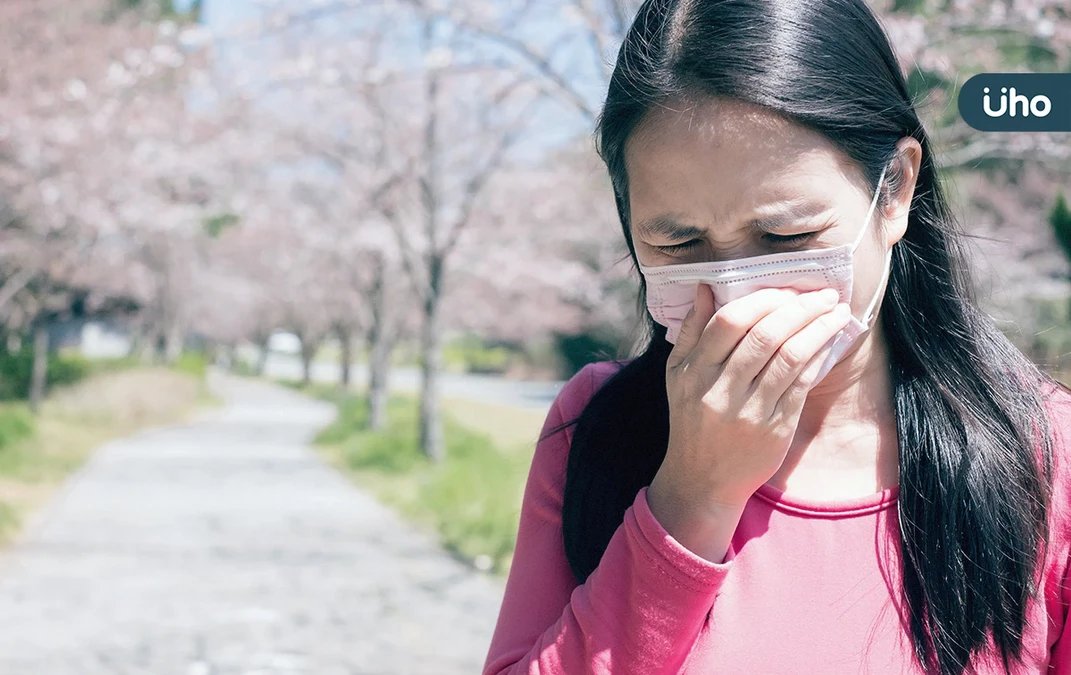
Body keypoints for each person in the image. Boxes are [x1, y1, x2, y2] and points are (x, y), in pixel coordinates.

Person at [481, 1, 1071, 674]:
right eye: (680, 242)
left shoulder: (1045, 452)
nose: (741, 292)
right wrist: (690, 497)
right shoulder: (597, 426)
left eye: (785, 238)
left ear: (895, 191)